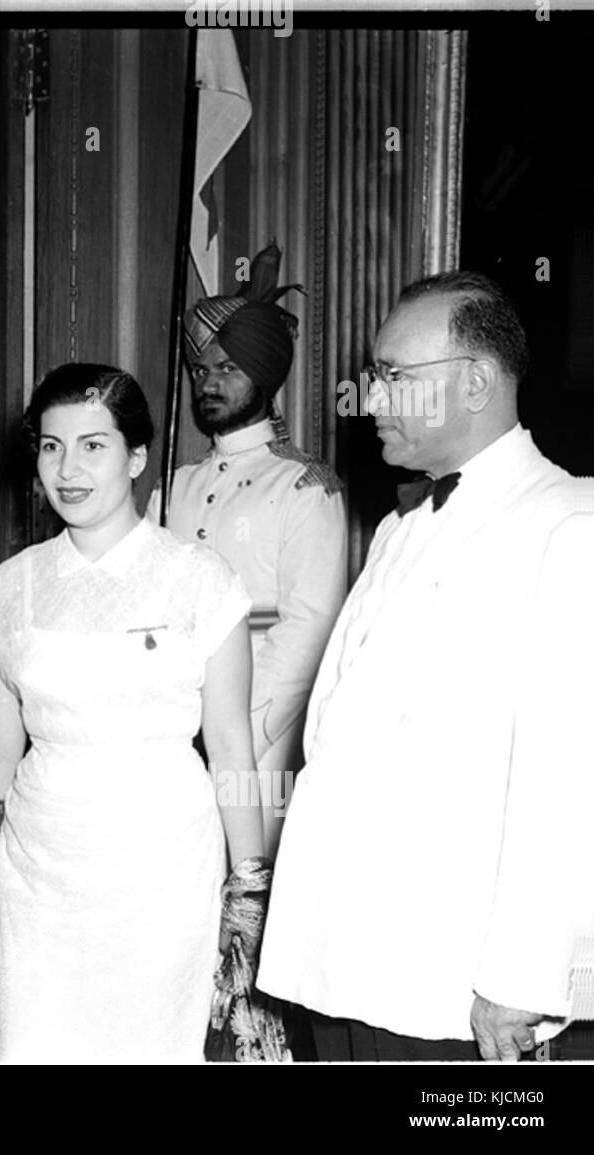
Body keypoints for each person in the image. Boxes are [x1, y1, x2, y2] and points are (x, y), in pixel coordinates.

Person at [258, 271, 594, 1061]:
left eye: (392, 378)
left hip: (453, 989)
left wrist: (522, 976)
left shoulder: (567, 522)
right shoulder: (400, 529)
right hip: (347, 961)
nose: (370, 400)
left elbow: (566, 775)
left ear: (474, 381)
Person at [0, 362, 267, 1063]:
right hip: (41, 879)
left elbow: (230, 745)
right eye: (51, 445)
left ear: (135, 457)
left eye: (93, 445)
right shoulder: (10, 589)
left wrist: (247, 885)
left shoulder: (201, 579)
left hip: (164, 877)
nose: (67, 468)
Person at [147, 244, 347, 856]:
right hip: (172, 735)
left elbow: (310, 626)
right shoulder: (171, 488)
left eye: (229, 368)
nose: (208, 382)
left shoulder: (307, 485)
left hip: (263, 748)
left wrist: (243, 733)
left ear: (264, 376)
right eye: (201, 368)